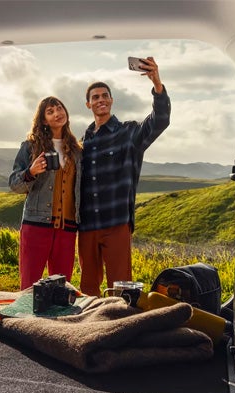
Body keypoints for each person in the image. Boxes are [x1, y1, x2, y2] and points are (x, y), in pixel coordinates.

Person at [78, 57, 171, 297]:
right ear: (88, 104)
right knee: (88, 287)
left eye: (104, 96)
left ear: (111, 100)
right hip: (86, 224)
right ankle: (90, 331)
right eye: (95, 97)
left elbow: (159, 121)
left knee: (120, 287)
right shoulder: (82, 143)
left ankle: (120, 330)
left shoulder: (129, 133)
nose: (101, 100)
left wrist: (157, 84)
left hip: (116, 222)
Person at [9, 96, 83, 290]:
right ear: (43, 120)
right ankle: (23, 321)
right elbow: (14, 185)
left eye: (59, 108)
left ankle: (55, 322)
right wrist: (31, 172)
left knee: (61, 287)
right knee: (28, 285)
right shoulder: (30, 147)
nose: (57, 113)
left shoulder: (77, 151)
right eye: (50, 111)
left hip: (67, 228)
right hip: (36, 225)